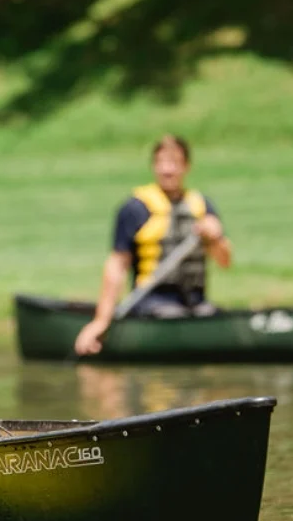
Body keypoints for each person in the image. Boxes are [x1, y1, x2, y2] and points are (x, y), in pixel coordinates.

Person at [74, 135, 233, 356]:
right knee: (172, 316)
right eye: (161, 163)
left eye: (174, 163)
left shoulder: (202, 206)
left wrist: (215, 238)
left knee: (209, 315)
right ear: (154, 166)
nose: (167, 170)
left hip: (196, 303)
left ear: (186, 166)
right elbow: (117, 265)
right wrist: (102, 320)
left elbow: (225, 261)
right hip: (152, 302)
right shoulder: (135, 208)